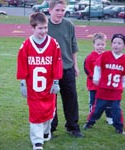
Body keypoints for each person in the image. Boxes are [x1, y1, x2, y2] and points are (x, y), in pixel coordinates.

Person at [16, 12, 63, 150]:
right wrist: (23, 83)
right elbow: (22, 65)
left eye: (45, 28)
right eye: (40, 28)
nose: (43, 31)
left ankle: (46, 131)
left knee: (50, 113)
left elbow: (57, 64)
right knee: (36, 114)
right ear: (33, 28)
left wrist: (56, 82)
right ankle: (37, 142)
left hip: (48, 87)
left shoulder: (54, 44)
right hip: (33, 88)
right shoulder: (26, 45)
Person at [48, 0, 83, 137]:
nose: (60, 13)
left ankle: (72, 126)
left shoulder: (69, 25)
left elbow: (73, 47)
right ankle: (51, 126)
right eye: (57, 10)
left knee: (71, 99)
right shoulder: (45, 26)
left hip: (67, 68)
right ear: (50, 10)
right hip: (50, 71)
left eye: (63, 10)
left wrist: (75, 66)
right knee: (51, 100)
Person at [83, 33, 125, 134]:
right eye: (114, 42)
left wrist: (122, 84)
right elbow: (97, 67)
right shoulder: (105, 55)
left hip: (115, 91)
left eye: (119, 43)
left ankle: (119, 127)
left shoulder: (124, 59)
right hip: (103, 89)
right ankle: (90, 122)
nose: (116, 45)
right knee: (97, 108)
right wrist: (96, 78)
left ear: (123, 46)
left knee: (116, 110)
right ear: (111, 44)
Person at [84, 33, 113, 125]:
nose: (100, 46)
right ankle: (91, 117)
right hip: (93, 85)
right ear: (94, 44)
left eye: (102, 44)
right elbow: (87, 69)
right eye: (98, 44)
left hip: (105, 85)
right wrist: (94, 78)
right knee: (93, 102)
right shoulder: (90, 57)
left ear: (105, 44)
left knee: (108, 102)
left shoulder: (108, 56)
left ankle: (109, 118)